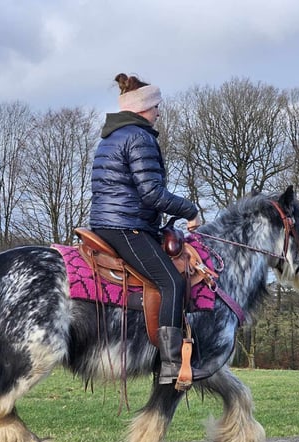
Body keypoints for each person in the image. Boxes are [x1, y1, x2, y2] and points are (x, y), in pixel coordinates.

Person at [90, 73, 201, 385]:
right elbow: (151, 193)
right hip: (127, 226)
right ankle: (170, 365)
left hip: (108, 223)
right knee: (172, 283)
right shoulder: (140, 138)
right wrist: (189, 210)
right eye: (156, 107)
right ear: (142, 109)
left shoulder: (111, 137)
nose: (159, 112)